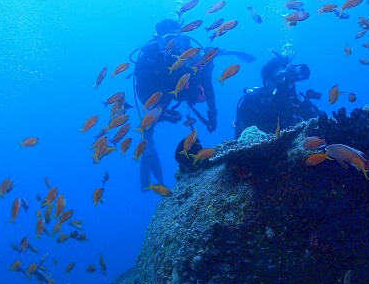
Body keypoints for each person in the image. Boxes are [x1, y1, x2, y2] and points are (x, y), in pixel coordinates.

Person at [132, 19, 217, 189]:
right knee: (149, 126)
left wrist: (212, 112)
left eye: (176, 36)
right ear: (159, 38)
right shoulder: (149, 55)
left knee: (200, 89)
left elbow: (207, 82)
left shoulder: (189, 51)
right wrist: (161, 114)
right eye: (168, 37)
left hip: (184, 87)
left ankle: (221, 52)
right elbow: (141, 91)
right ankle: (148, 151)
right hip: (160, 93)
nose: (172, 41)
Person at [234, 53, 321, 138]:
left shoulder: (294, 96)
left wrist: (298, 98)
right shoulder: (251, 100)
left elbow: (317, 119)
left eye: (286, 77)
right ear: (267, 81)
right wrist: (279, 96)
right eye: (280, 77)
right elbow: (240, 136)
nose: (284, 82)